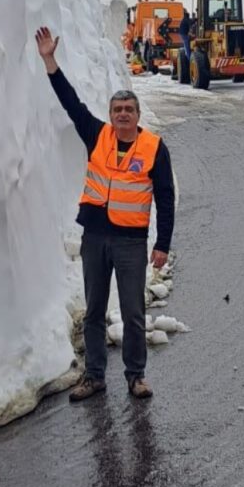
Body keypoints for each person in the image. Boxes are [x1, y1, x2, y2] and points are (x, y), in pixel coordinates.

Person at [34, 26, 175, 401]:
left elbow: (165, 196)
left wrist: (163, 243)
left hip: (130, 241)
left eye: (129, 110)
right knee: (94, 310)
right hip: (95, 237)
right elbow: (71, 103)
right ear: (110, 114)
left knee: (132, 312)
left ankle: (135, 376)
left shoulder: (153, 148)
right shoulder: (98, 135)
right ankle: (94, 376)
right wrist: (50, 61)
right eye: (117, 110)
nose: (123, 115)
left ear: (138, 114)